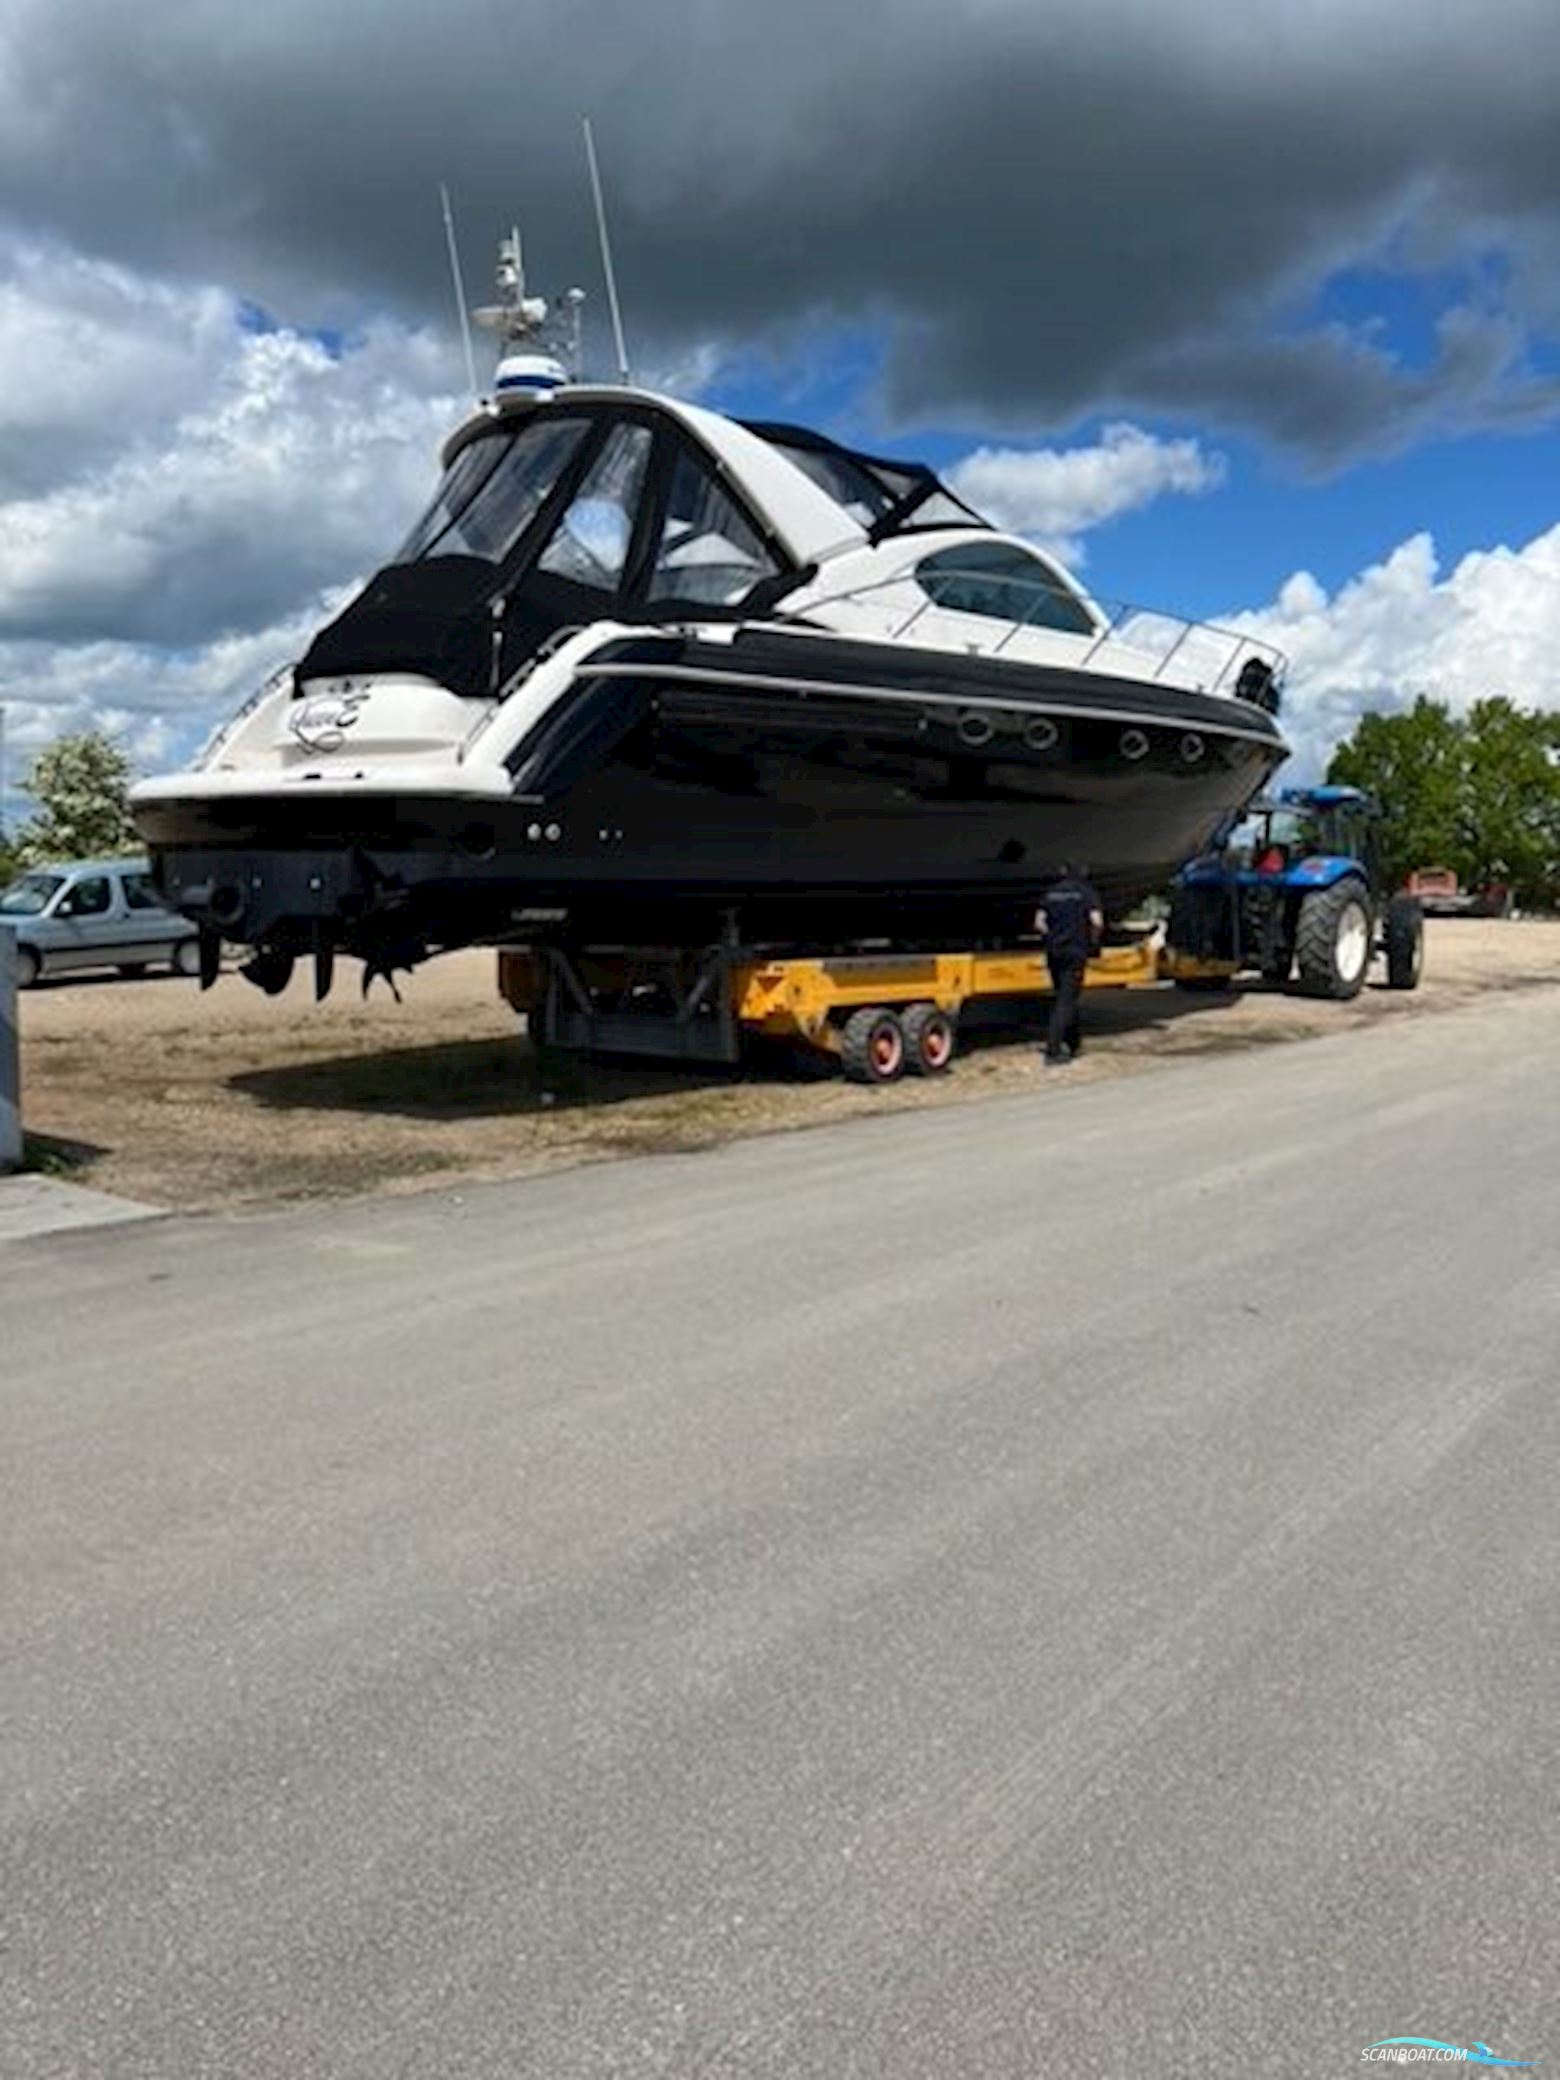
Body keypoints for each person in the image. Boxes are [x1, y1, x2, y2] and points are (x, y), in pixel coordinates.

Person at [1037, 864, 1104, 1062]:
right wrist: (1093, 940)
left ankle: (1074, 1043)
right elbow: (1097, 921)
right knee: (1066, 1001)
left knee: (1063, 996)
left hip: (1054, 952)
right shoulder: (1087, 893)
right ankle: (1053, 1049)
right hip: (1075, 951)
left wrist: (1052, 937)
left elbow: (1039, 922)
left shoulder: (1051, 894)